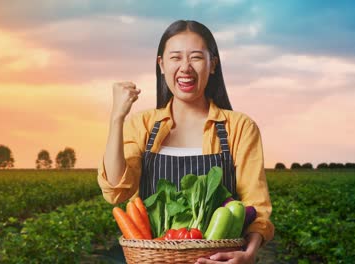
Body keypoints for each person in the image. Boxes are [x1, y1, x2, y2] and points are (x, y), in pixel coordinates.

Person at [98, 20, 274, 264]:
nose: (185, 68)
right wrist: (117, 118)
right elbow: (116, 191)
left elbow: (257, 207)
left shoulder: (239, 128)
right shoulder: (143, 125)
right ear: (161, 65)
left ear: (213, 64)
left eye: (196, 58)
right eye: (175, 58)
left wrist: (249, 254)